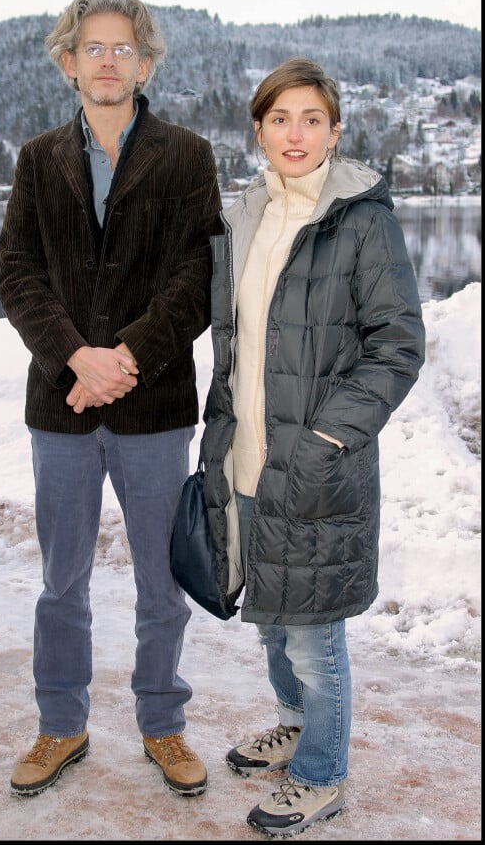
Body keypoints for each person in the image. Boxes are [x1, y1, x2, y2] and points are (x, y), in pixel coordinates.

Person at [0, 0, 223, 798]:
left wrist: (125, 356)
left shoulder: (189, 156)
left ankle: (162, 724)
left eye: (122, 47)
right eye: (91, 47)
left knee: (161, 583)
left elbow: (200, 277)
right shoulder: (36, 159)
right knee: (63, 581)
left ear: (146, 61)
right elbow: (17, 274)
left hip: (154, 405)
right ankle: (61, 723)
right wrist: (74, 360)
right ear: (68, 63)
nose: (107, 59)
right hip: (60, 407)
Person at [200, 57, 425, 836]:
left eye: (311, 119)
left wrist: (329, 436)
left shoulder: (362, 219)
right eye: (279, 118)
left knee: (313, 628)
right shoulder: (245, 216)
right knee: (268, 614)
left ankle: (324, 772)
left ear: (334, 130)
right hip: (247, 459)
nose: (295, 134)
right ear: (257, 129)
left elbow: (397, 344)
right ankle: (296, 726)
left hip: (317, 464)